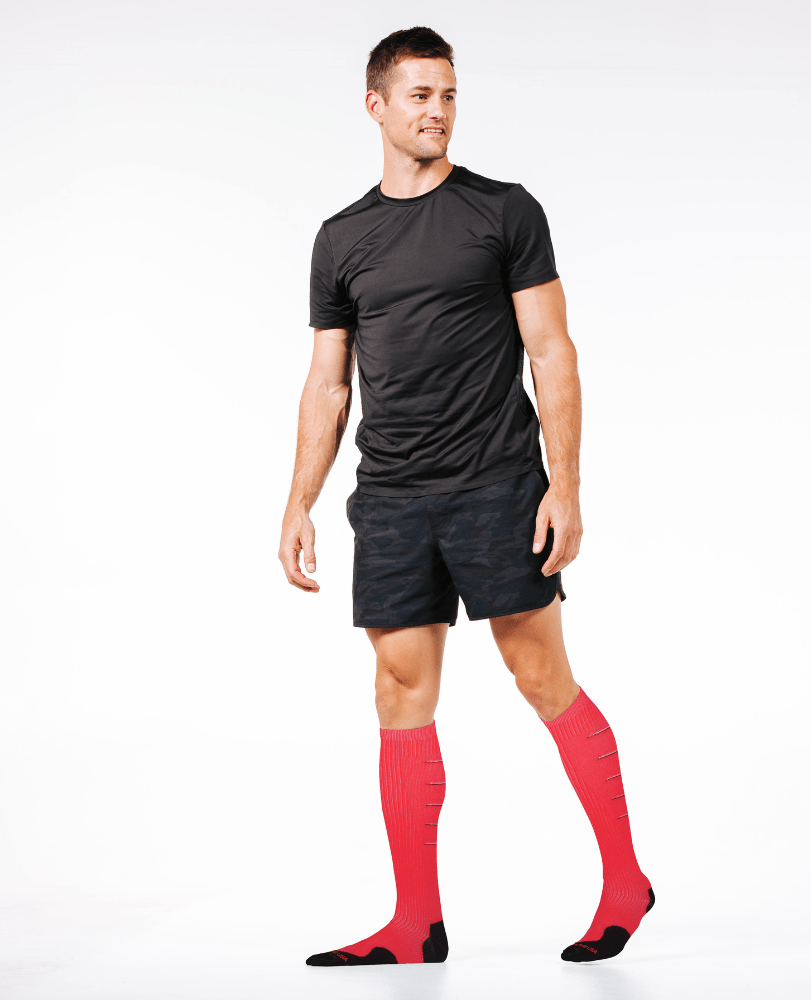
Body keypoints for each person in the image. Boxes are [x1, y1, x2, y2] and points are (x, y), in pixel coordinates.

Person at [278, 26, 653, 966]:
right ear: (375, 105)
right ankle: (416, 924)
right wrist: (298, 502)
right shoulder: (341, 238)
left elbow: (552, 350)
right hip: (392, 497)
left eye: (447, 94)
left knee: (540, 676)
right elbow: (327, 383)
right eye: (419, 95)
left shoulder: (504, 211)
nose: (437, 111)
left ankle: (626, 883)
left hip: (496, 483)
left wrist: (565, 484)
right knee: (399, 689)